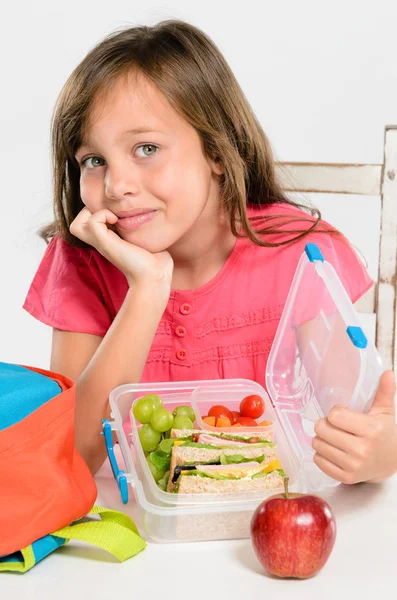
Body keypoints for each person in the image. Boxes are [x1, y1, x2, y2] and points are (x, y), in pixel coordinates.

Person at [23, 20, 397, 480]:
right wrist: (147, 287)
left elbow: (359, 421)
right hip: (136, 533)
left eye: (145, 148)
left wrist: (381, 454)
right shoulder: (82, 262)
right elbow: (69, 459)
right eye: (94, 161)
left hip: (262, 517)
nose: (117, 186)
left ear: (218, 152)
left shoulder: (299, 255)